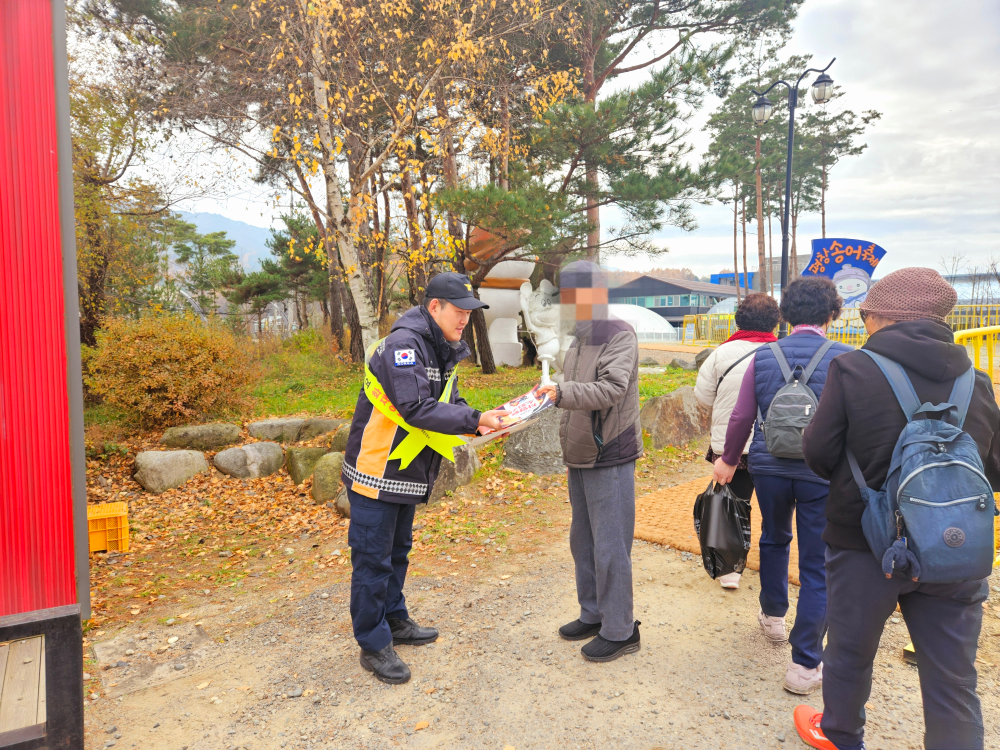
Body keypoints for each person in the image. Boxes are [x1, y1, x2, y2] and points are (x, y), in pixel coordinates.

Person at [792, 267, 1000, 750]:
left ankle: (841, 735)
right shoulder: (979, 381)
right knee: (953, 675)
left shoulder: (853, 370)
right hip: (955, 548)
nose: (863, 324)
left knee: (849, 651)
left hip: (864, 544)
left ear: (884, 316)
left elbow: (819, 454)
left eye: (865, 315)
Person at [341, 272, 504, 684]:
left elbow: (445, 398)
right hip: (376, 471)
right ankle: (373, 645)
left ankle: (394, 621)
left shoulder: (440, 345)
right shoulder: (404, 345)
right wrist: (471, 419)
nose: (466, 319)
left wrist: (481, 420)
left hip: (404, 472)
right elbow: (415, 406)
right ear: (434, 307)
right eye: (459, 311)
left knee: (397, 553)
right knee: (372, 560)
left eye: (470, 312)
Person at [714, 276, 852, 694]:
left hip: (768, 467)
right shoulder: (848, 358)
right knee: (817, 561)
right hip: (822, 472)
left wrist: (728, 460)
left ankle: (773, 616)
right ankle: (805, 665)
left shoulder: (764, 355)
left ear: (786, 315)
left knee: (774, 538)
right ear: (832, 313)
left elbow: (740, 417)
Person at [536, 260, 643, 662]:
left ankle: (620, 630)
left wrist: (560, 393)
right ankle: (594, 613)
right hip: (579, 455)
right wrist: (545, 395)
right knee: (584, 541)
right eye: (569, 296)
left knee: (611, 544)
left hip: (610, 454)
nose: (574, 304)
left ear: (599, 293)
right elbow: (571, 391)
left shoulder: (620, 334)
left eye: (581, 295)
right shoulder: (578, 338)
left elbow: (611, 388)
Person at [695, 293, 781, 590]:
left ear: (738, 320)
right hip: (775, 445)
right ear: (775, 322)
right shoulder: (781, 351)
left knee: (734, 504)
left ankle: (731, 571)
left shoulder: (721, 353)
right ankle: (774, 565)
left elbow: (703, 397)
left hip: (733, 446)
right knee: (776, 508)